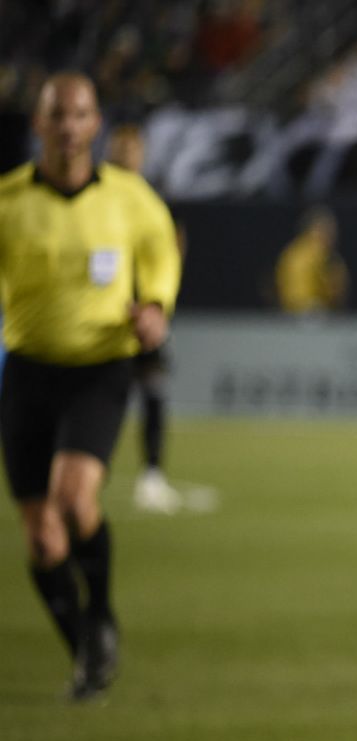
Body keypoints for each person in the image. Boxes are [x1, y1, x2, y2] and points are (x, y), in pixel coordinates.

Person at [0, 72, 180, 700]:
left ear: (96, 123)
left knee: (74, 498)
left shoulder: (129, 198)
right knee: (43, 538)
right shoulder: (10, 201)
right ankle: (83, 646)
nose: (69, 126)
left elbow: (161, 252)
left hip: (101, 366)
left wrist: (155, 303)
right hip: (27, 371)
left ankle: (100, 616)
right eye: (57, 115)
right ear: (38, 124)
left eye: (80, 115)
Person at [103, 122, 188, 514]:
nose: (125, 156)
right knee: (103, 399)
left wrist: (156, 300)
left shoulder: (149, 203)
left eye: (130, 149)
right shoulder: (94, 196)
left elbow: (162, 257)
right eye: (120, 148)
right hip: (100, 319)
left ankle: (151, 476)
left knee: (153, 393)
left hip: (143, 316)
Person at [276, 207, 348, 315]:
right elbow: (297, 296)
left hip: (322, 315)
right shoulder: (299, 255)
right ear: (313, 230)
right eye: (327, 230)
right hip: (305, 315)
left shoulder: (330, 258)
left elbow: (339, 293)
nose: (333, 235)